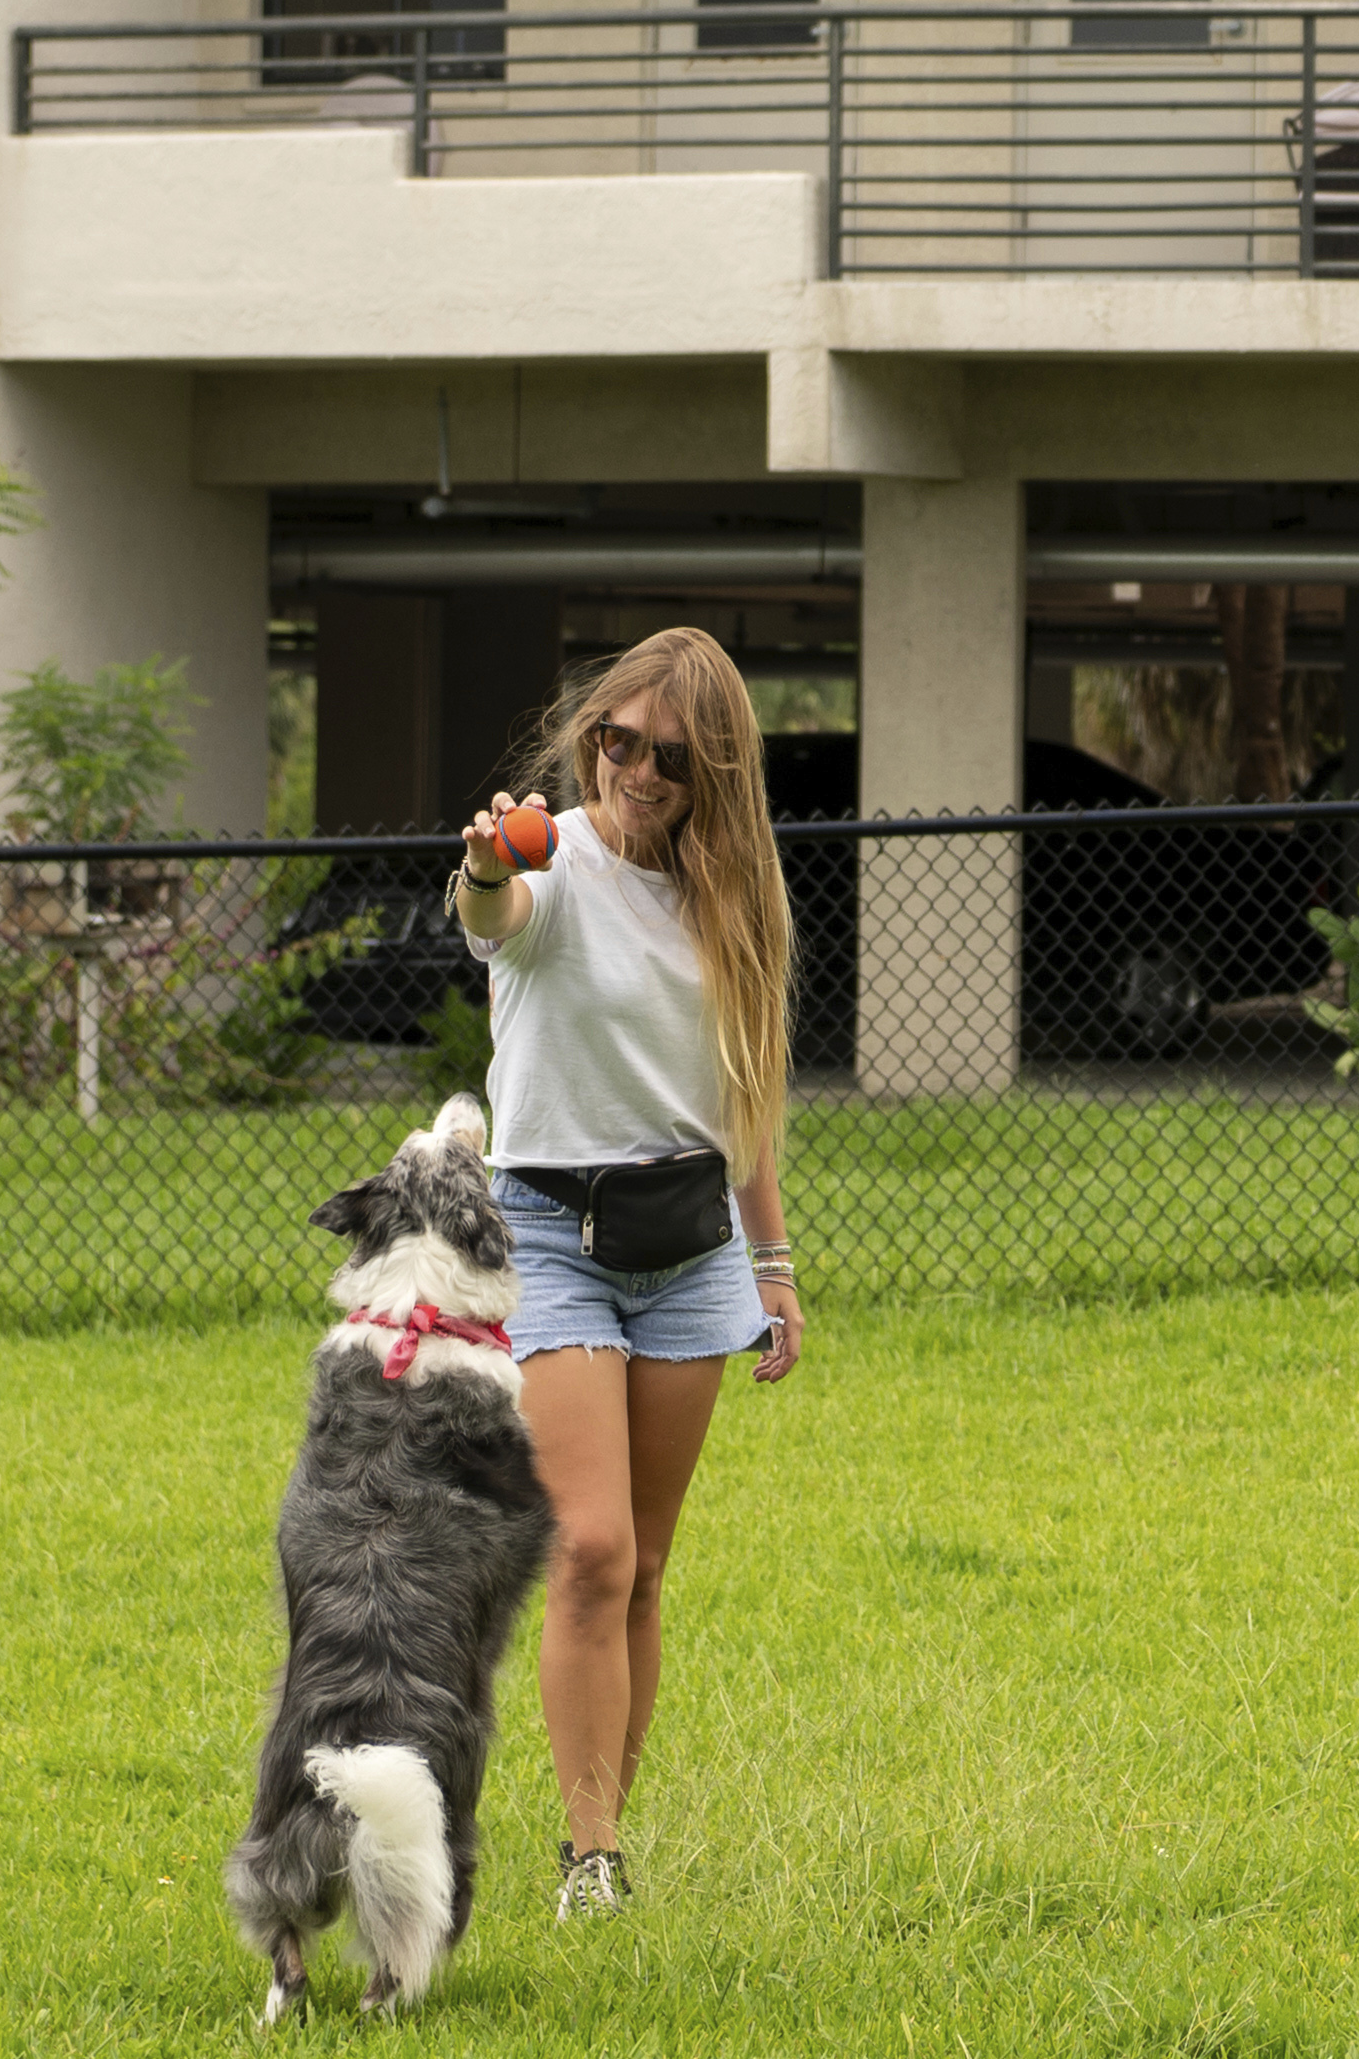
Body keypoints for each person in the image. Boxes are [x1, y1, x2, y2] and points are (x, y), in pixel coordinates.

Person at [446, 624, 802, 1926]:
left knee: (647, 1564)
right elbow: (498, 915)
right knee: (589, 1547)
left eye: (666, 755)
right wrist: (489, 863)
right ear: (591, 735)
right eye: (616, 740)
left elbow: (745, 1100)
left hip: (692, 1248)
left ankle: (604, 1845)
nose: (634, 772)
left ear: (710, 771)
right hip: (548, 1234)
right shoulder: (560, 860)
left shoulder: (737, 898)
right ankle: (589, 1856)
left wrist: (774, 1265)